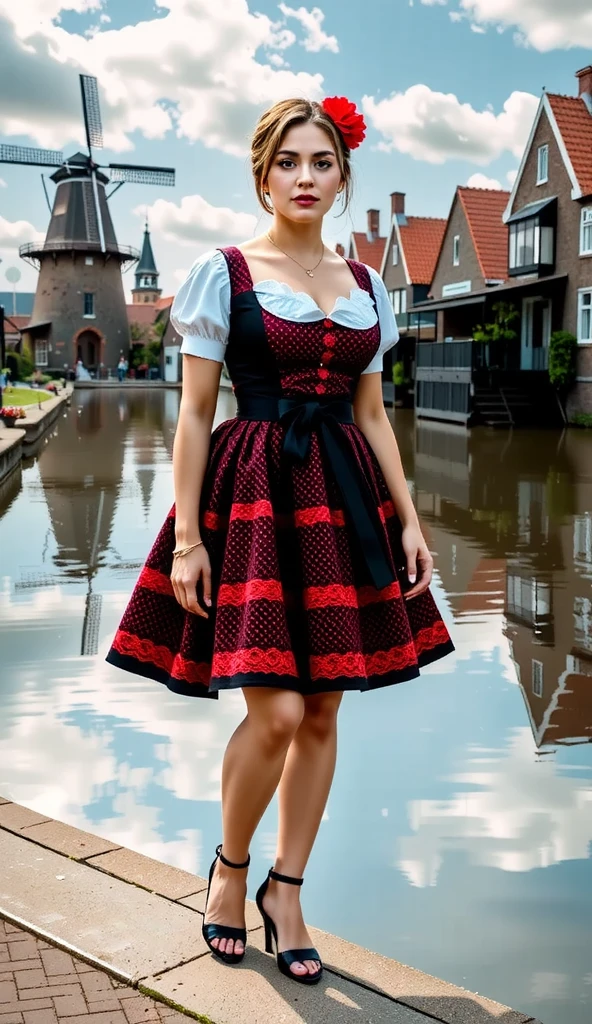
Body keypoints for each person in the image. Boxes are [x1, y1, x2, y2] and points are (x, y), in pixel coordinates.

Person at [106, 95, 454, 986]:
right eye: (289, 161)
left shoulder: (368, 284)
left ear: (343, 176)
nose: (306, 177)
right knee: (279, 709)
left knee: (327, 703)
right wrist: (188, 538)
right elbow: (191, 414)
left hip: (344, 496)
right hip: (253, 492)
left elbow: (374, 416)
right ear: (262, 174)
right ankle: (229, 871)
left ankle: (286, 890)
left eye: (322, 162)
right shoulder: (225, 273)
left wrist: (411, 518)